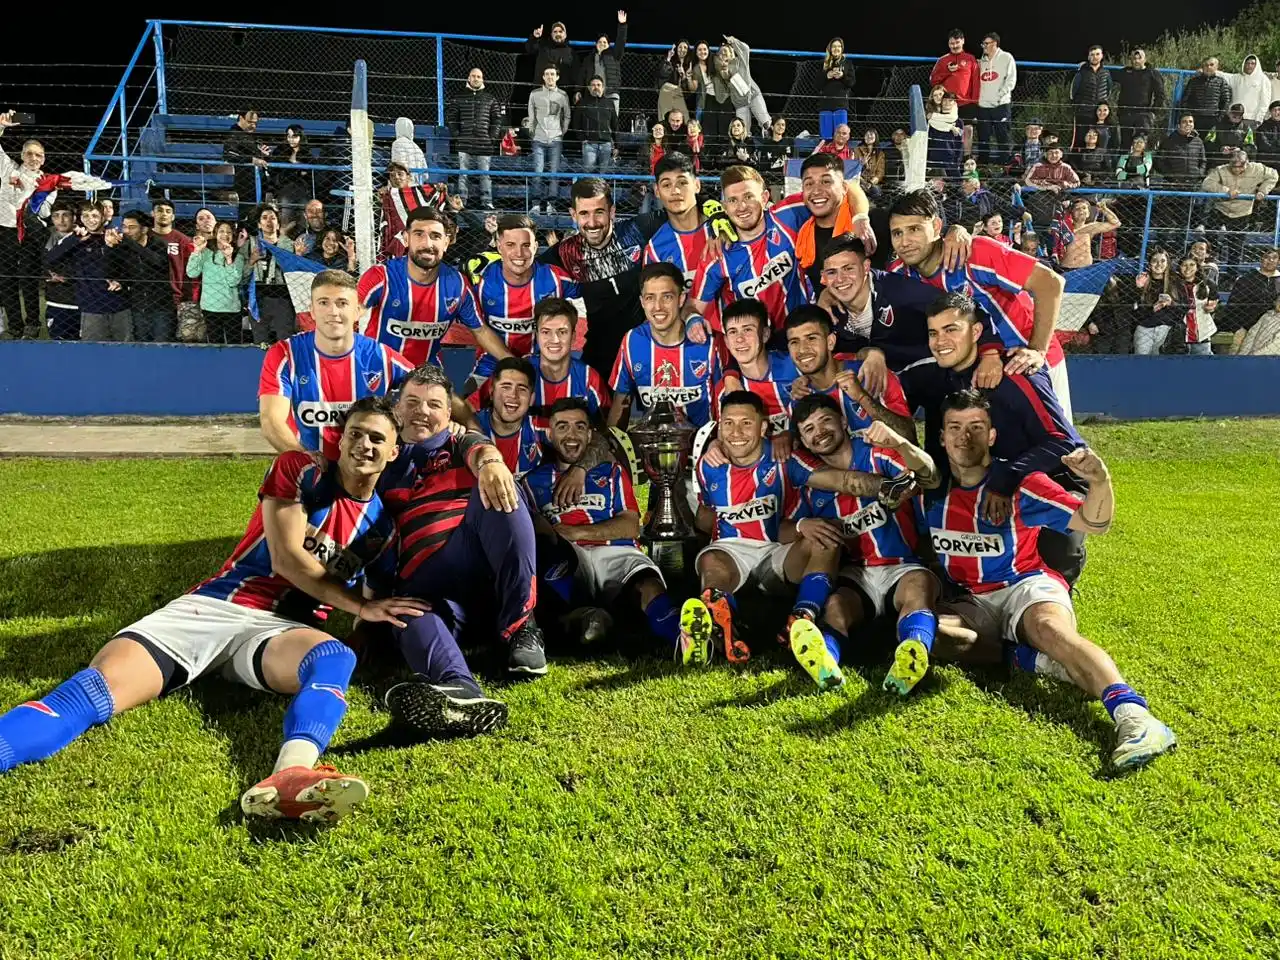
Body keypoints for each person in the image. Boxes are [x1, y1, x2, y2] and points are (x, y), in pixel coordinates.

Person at [0, 396, 422, 819]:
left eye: (376, 438)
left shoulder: (382, 529)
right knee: (89, 695)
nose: (362, 445)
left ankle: (291, 775)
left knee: (334, 656)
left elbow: (377, 597)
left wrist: (373, 624)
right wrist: (357, 606)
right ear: (340, 437)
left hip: (279, 634)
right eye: (355, 433)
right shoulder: (302, 469)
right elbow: (287, 560)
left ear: (393, 450)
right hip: (217, 605)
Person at [927, 389, 1177, 771]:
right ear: (941, 436)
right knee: (929, 634)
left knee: (1049, 628)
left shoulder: (1023, 485)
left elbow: (1096, 522)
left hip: (1027, 584)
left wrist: (1100, 482)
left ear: (992, 435)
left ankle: (1135, 718)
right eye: (955, 427)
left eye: (977, 427)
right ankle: (1033, 660)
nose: (965, 437)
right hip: (974, 599)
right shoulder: (930, 491)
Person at [901, 293, 1088, 586]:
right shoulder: (940, 376)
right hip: (988, 478)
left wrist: (1006, 479)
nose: (941, 341)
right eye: (933, 333)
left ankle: (1057, 595)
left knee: (1054, 556)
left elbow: (1065, 442)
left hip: (1050, 476)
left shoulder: (1016, 374)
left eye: (951, 330)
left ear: (976, 332)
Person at [376, 363, 547, 683]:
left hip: (471, 558)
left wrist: (493, 463)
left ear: (449, 413)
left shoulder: (459, 442)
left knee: (499, 489)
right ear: (397, 406)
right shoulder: (380, 451)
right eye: (412, 402)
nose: (422, 411)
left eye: (434, 404)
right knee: (405, 615)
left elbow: (480, 451)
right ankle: (458, 686)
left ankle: (521, 625)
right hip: (421, 585)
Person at [679, 390, 872, 665]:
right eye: (728, 423)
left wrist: (886, 486)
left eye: (746, 423)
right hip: (732, 551)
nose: (736, 432)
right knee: (712, 560)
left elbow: (840, 480)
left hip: (780, 551)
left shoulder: (785, 457)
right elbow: (706, 515)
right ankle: (719, 616)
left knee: (825, 537)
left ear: (763, 427)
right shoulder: (708, 466)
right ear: (719, 427)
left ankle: (801, 619)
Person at [789, 393, 941, 695]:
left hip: (902, 565)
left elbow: (928, 476)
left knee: (919, 588)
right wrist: (802, 524)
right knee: (835, 607)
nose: (819, 432)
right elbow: (786, 526)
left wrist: (899, 445)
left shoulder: (877, 454)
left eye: (825, 421)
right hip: (856, 571)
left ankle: (913, 653)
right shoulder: (810, 483)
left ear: (844, 422)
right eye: (809, 429)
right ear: (804, 442)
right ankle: (825, 664)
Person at [886, 188, 1073, 421]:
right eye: (897, 233)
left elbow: (1051, 283)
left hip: (1026, 363)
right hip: (975, 376)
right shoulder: (898, 276)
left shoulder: (975, 252)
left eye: (914, 229)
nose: (905, 242)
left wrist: (1037, 350)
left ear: (935, 226)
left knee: (1059, 449)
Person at [525, 397, 681, 650]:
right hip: (571, 559)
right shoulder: (532, 482)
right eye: (562, 427)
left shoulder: (612, 473)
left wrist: (576, 532)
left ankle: (683, 637)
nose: (571, 434)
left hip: (617, 553)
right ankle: (587, 620)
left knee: (647, 584)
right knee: (551, 561)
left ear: (589, 435)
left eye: (579, 427)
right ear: (550, 435)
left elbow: (631, 526)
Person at [258, 270, 413, 458]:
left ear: (356, 311)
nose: (333, 312)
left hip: (365, 470)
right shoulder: (285, 354)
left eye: (342, 303)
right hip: (308, 467)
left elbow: (428, 388)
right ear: (312, 311)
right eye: (324, 303)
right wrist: (307, 461)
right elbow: (271, 421)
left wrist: (452, 420)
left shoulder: (381, 356)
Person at [537, 177, 669, 378]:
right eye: (584, 214)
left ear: (612, 212)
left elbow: (685, 212)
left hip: (649, 345)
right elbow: (524, 270)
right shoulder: (566, 252)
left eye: (599, 212)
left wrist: (715, 219)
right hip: (600, 352)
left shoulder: (637, 230)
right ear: (573, 215)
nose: (592, 223)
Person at [358, 206, 507, 371]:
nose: (427, 244)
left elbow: (481, 331)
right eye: (419, 234)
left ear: (446, 242)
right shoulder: (381, 276)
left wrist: (516, 364)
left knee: (455, 397)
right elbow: (347, 317)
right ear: (406, 239)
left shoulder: (457, 285)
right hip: (377, 371)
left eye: (435, 236)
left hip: (426, 375)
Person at [688, 165, 810, 339]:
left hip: (799, 334)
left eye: (748, 196)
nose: (741, 207)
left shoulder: (787, 216)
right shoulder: (716, 254)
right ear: (724, 206)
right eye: (733, 200)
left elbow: (838, 189)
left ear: (764, 197)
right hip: (751, 347)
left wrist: (859, 218)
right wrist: (693, 321)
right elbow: (693, 307)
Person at [471, 213, 581, 390]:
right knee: (466, 407)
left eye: (526, 245)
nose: (519, 253)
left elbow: (595, 290)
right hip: (492, 364)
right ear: (499, 247)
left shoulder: (555, 278)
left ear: (536, 247)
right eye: (510, 245)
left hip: (543, 366)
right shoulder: (482, 282)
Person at [608, 262, 720, 429]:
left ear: (681, 299)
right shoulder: (632, 341)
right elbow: (621, 403)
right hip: (653, 447)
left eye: (667, 297)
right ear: (642, 302)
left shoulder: (707, 342)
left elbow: (730, 405)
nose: (658, 306)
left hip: (704, 449)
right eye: (650, 298)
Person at [784, 305, 915, 442]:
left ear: (830, 342)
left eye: (811, 338)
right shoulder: (799, 396)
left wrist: (862, 397)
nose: (802, 349)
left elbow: (909, 437)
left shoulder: (871, 372)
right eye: (794, 342)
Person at [46, 200, 131, 342]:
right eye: (85, 216)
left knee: (125, 351)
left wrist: (112, 249)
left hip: (120, 306)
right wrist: (74, 239)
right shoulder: (76, 240)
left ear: (103, 217)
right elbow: (51, 259)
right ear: (80, 218)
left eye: (94, 216)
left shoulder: (115, 237)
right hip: (91, 308)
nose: (90, 220)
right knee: (93, 354)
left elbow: (127, 267)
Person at [0, 112, 47, 338]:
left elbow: (44, 211)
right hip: (5, 231)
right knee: (6, 280)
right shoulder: (9, 169)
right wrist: (1, 127)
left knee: (28, 280)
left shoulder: (48, 182)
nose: (33, 158)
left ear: (44, 159)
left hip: (29, 233)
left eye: (38, 155)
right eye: (29, 153)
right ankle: (15, 326)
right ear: (21, 155)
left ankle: (33, 323)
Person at [524, 297, 609, 415]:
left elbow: (605, 429)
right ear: (537, 335)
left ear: (574, 336)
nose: (554, 340)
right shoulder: (521, 373)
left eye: (562, 332)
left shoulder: (589, 379)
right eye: (546, 332)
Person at [1201, 149, 1279, 267]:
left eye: (1241, 166)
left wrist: (1263, 191)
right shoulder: (1221, 170)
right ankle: (1212, 259)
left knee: (1236, 246)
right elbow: (1207, 183)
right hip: (1221, 208)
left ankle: (1232, 276)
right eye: (1234, 167)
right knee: (1210, 235)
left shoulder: (1257, 168)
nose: (1237, 169)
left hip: (1242, 211)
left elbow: (1274, 175)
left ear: (1247, 162)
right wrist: (1226, 190)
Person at [473, 357, 547, 478]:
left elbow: (583, 438)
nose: (513, 395)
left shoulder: (540, 427)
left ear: (531, 398)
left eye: (522, 389)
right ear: (491, 392)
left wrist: (579, 469)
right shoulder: (470, 428)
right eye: (506, 387)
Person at [447, 68, 503, 209]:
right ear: (469, 78)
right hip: (464, 143)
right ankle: (462, 203)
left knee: (484, 175)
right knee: (463, 174)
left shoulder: (490, 98)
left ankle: (486, 202)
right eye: (473, 76)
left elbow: (497, 119)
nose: (476, 78)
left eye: (479, 76)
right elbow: (451, 117)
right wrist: (457, 136)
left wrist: (492, 138)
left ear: (482, 79)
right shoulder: (458, 97)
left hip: (484, 143)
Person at [115, 211, 174, 343]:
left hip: (161, 308)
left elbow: (158, 263)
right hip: (137, 306)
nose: (127, 231)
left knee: (162, 345)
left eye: (132, 227)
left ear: (144, 229)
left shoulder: (158, 244)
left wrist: (131, 244)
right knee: (141, 345)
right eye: (124, 227)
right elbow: (119, 273)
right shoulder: (123, 248)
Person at [528, 66, 571, 214]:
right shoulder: (535, 94)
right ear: (543, 77)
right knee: (538, 172)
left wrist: (561, 132)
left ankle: (551, 204)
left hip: (556, 139)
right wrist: (532, 133)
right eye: (547, 74)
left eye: (552, 74)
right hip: (538, 139)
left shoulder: (563, 95)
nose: (550, 77)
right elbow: (531, 116)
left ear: (557, 77)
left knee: (554, 173)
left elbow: (567, 116)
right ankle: (535, 204)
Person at [573, 11, 628, 116]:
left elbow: (621, 41)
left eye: (605, 42)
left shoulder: (614, 56)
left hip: (610, 94)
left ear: (608, 45)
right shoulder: (589, 59)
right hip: (593, 94)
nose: (602, 44)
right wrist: (578, 90)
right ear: (596, 44)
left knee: (611, 121)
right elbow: (581, 76)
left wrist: (622, 25)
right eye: (600, 42)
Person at [1129, 249, 1183, 355]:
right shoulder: (1142, 280)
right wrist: (1138, 288)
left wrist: (1171, 303)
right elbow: (1133, 309)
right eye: (1154, 260)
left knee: (1160, 364)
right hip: (1145, 328)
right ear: (1149, 263)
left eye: (1162, 261)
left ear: (1167, 263)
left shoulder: (1175, 282)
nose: (1159, 264)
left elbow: (1183, 307)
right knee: (1141, 363)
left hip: (1166, 328)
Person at [717, 36, 772, 135]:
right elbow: (722, 95)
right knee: (743, 131)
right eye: (721, 53)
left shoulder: (740, 60)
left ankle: (770, 146)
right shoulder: (719, 70)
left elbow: (745, 49)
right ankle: (745, 150)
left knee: (766, 123)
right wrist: (724, 76)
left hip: (753, 95)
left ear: (732, 52)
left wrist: (734, 41)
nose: (724, 54)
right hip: (740, 103)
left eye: (726, 51)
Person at [976, 32, 1017, 164]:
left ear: (995, 44)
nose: (984, 46)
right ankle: (983, 168)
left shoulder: (1006, 57)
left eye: (986, 44)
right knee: (983, 138)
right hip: (983, 106)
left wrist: (999, 96)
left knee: (1003, 137)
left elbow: (1011, 80)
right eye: (983, 44)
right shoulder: (981, 61)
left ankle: (1005, 167)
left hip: (1001, 105)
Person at [223, 106, 270, 217]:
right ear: (241, 118)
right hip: (245, 182)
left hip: (255, 181)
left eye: (255, 123)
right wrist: (252, 159)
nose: (253, 125)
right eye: (250, 122)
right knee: (247, 213)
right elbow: (229, 154)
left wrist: (261, 154)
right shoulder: (234, 133)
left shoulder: (249, 135)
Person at [42, 203, 79, 340]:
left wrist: (69, 276)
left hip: (80, 302)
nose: (61, 220)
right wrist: (46, 275)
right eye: (56, 216)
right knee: (59, 346)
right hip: (55, 302)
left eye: (65, 215)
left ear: (74, 218)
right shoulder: (45, 238)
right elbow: (39, 264)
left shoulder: (84, 236)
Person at [930, 30, 981, 125]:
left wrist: (975, 101)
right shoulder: (942, 60)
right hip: (947, 103)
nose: (955, 46)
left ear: (963, 41)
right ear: (948, 44)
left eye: (957, 42)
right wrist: (947, 71)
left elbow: (976, 81)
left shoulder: (970, 59)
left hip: (966, 103)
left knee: (967, 130)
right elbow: (933, 81)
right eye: (952, 43)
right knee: (947, 131)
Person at [1116, 48, 1165, 147]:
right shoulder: (1125, 72)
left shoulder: (1152, 73)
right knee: (1124, 144)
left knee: (1141, 144)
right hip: (1125, 114)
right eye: (1134, 58)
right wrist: (1086, 66)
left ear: (1145, 59)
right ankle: (1123, 162)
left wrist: (1153, 112)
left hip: (1143, 115)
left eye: (1139, 58)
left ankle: (1141, 162)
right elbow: (1107, 74)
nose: (1136, 61)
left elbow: (1160, 94)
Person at [1057, 199, 1120, 271]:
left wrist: (1104, 209)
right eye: (1077, 209)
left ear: (1088, 213)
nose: (1081, 211)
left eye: (1084, 208)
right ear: (1072, 213)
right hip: (1066, 268)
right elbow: (1051, 230)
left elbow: (1116, 223)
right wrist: (1064, 209)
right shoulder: (1064, 226)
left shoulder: (1091, 227)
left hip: (1086, 269)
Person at [1071, 46, 1112, 147]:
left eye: (1097, 54)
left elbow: (1109, 90)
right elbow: (1073, 92)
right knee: (1080, 140)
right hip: (1084, 113)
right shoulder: (1081, 73)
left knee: (1100, 141)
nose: (1095, 57)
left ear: (1102, 56)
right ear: (1088, 57)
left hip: (1099, 115)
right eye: (1092, 54)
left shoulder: (1106, 73)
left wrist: (1102, 107)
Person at [575, 76, 617, 175]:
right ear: (589, 88)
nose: (596, 87)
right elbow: (576, 124)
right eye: (593, 85)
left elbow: (614, 124)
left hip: (606, 144)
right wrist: (582, 139)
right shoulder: (582, 103)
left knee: (603, 176)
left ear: (603, 88)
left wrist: (616, 145)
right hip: (589, 144)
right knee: (589, 176)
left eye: (598, 85)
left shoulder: (609, 103)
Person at [1180, 58, 1233, 133]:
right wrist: (1188, 117)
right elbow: (1185, 100)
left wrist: (1219, 118)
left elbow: (1226, 101)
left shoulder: (1221, 82)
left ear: (1216, 67)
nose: (1208, 67)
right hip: (1195, 120)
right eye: (1206, 65)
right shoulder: (1193, 81)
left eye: (1211, 65)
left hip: (1213, 120)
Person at [818, 38, 854, 141]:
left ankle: (840, 157)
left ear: (842, 49)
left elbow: (851, 83)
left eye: (839, 46)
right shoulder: (823, 63)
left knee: (841, 137)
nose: (836, 48)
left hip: (840, 105)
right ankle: (826, 156)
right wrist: (827, 76)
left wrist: (843, 76)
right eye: (834, 46)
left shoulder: (847, 63)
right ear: (830, 49)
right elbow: (816, 85)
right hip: (825, 105)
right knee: (826, 138)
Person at [526, 21, 575, 86]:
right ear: (551, 34)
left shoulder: (571, 53)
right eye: (555, 32)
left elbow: (575, 73)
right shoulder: (543, 46)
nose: (558, 34)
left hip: (561, 91)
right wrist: (534, 38)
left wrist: (576, 90)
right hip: (541, 89)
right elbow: (530, 49)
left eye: (560, 31)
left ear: (565, 35)